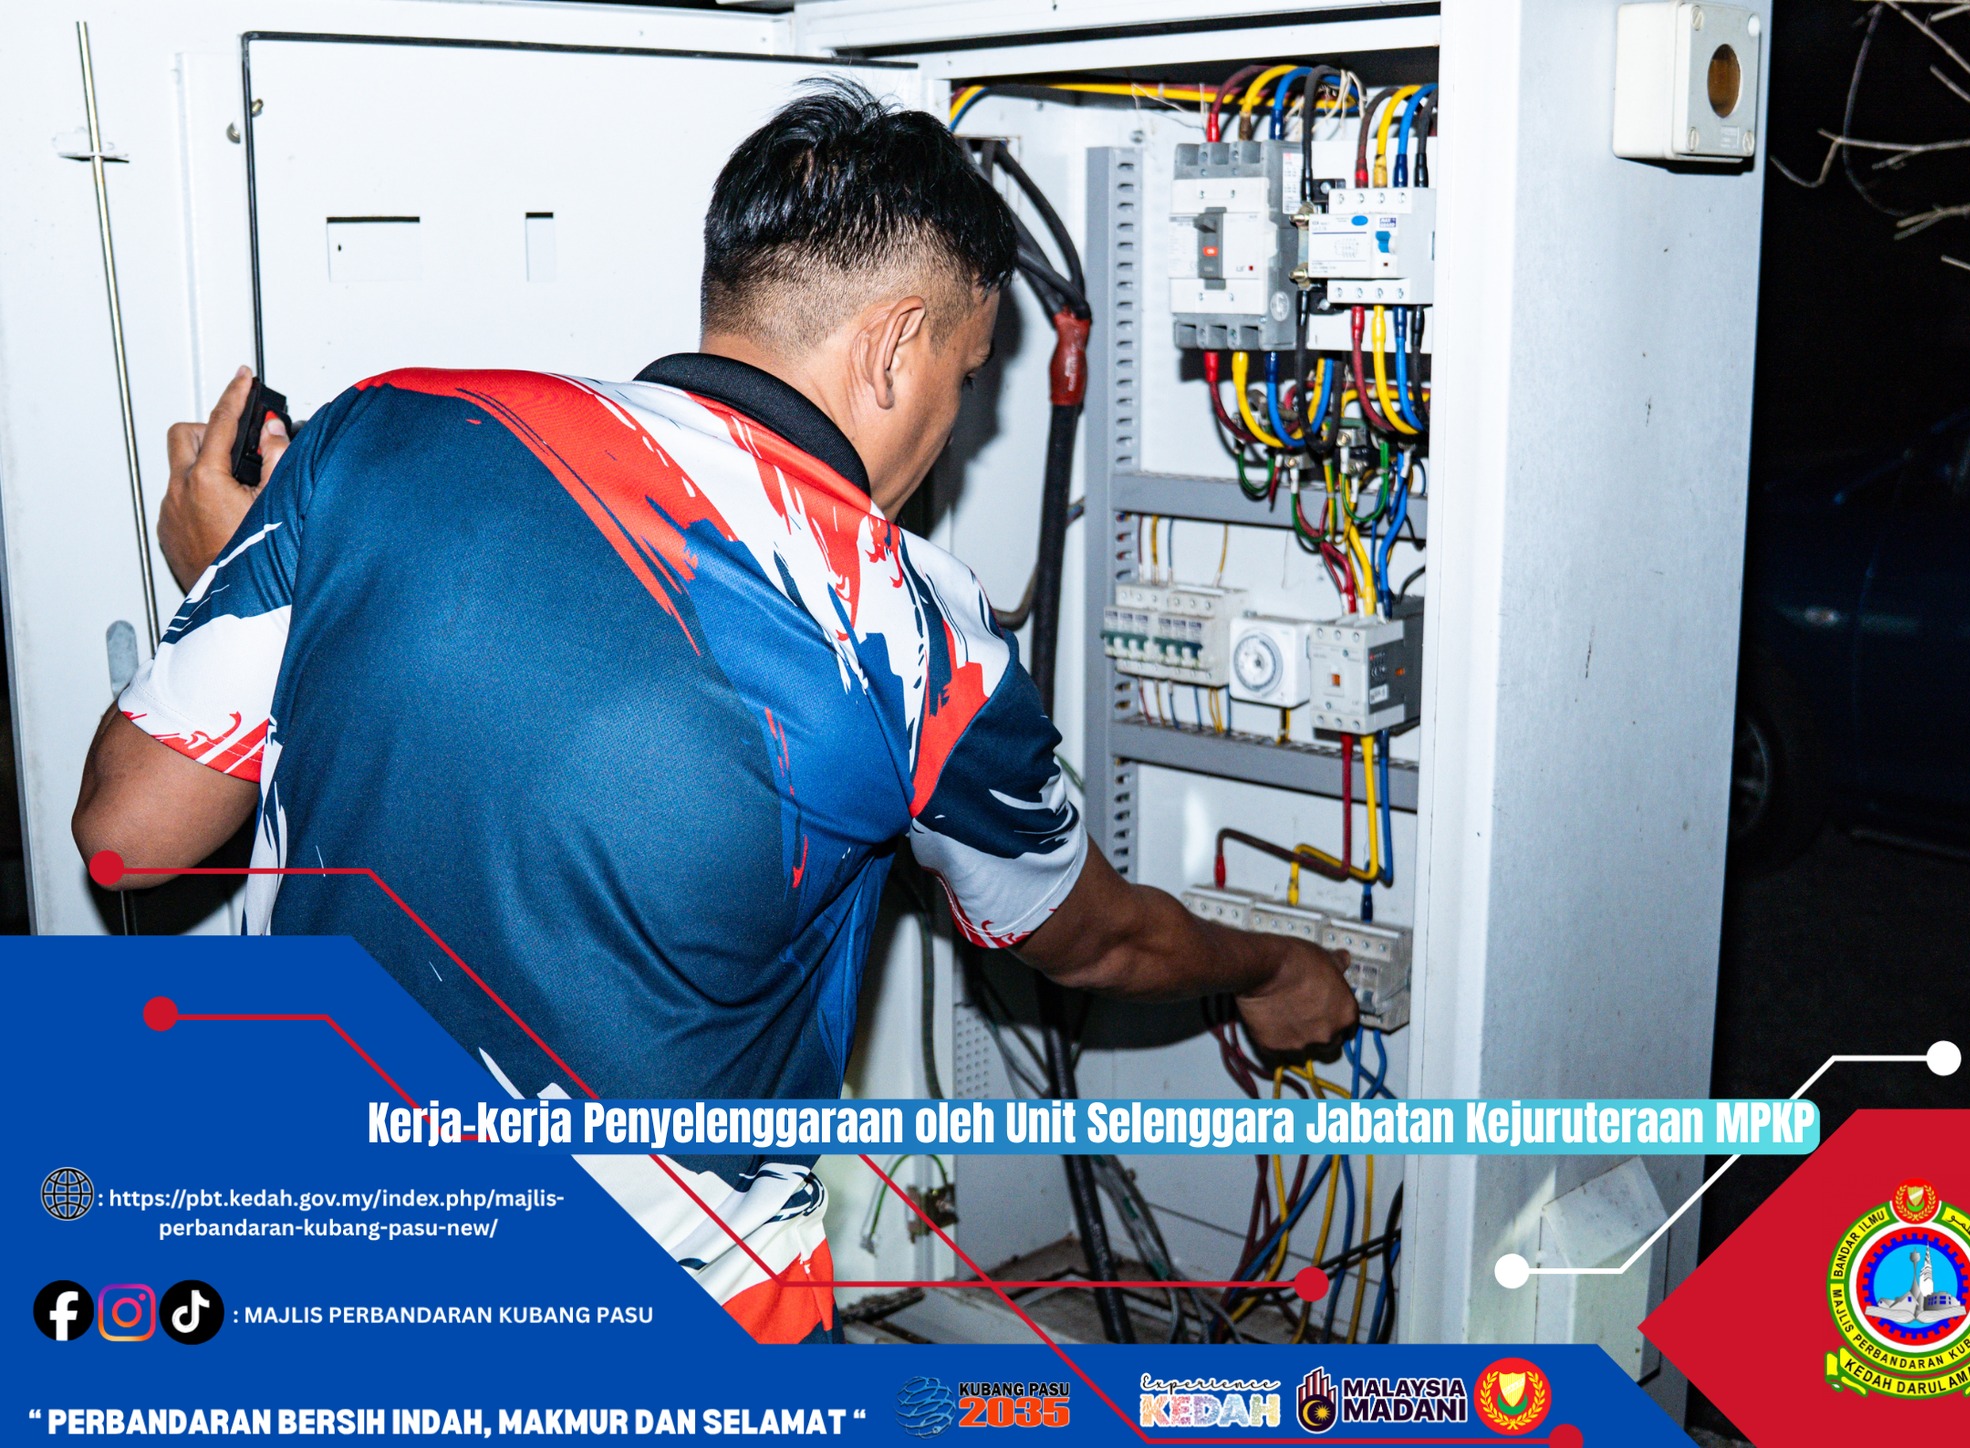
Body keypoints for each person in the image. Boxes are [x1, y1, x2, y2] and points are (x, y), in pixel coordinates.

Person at [73, 82, 1356, 1343]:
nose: (956, 425)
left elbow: (131, 832)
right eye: (964, 376)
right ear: (894, 345)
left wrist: (233, 580)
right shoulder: (910, 635)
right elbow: (1092, 939)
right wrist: (1269, 968)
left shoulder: (380, 430)